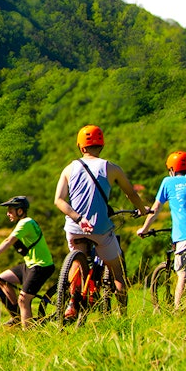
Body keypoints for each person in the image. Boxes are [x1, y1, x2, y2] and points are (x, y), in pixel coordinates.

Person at [54, 125, 149, 317]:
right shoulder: (111, 168)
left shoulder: (69, 168)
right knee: (117, 271)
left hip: (75, 226)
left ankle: (72, 302)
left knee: (78, 258)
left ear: (81, 147)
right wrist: (142, 210)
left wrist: (78, 218)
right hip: (100, 228)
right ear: (102, 145)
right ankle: (122, 315)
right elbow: (131, 193)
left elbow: (58, 200)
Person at [137, 150, 186, 308]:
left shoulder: (167, 182)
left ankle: (178, 312)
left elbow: (156, 209)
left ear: (172, 169)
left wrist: (144, 229)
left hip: (185, 234)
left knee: (182, 274)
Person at [0, 196, 55, 328]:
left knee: (23, 300)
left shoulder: (26, 223)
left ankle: (29, 334)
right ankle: (18, 316)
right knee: (1, 279)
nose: (7, 213)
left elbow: (8, 241)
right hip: (30, 264)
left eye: (10, 210)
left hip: (41, 266)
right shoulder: (24, 223)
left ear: (20, 211)